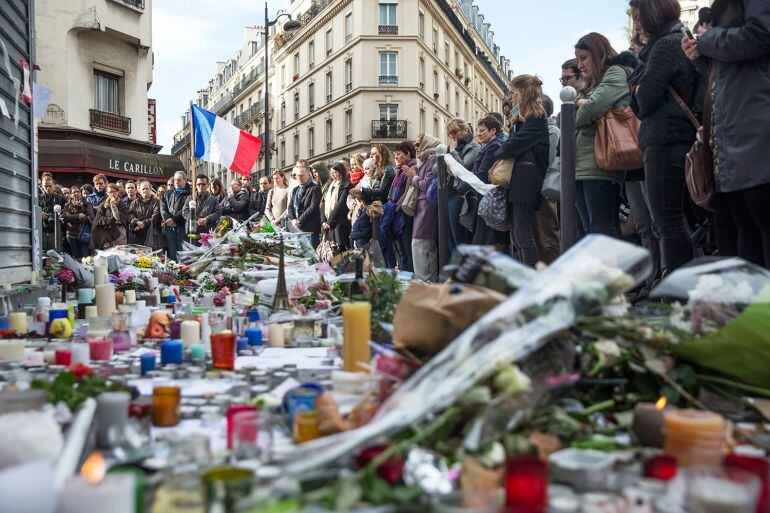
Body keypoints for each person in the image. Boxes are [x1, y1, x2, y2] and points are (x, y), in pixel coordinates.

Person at [683, 0, 770, 269]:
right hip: (735, 130)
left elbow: (760, 34)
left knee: (759, 222)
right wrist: (701, 54)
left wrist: (708, 41)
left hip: (754, 124)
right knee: (745, 226)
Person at [628, 0, 696, 275]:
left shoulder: (665, 45)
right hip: (676, 137)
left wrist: (639, 87)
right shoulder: (674, 41)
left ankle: (679, 294)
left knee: (666, 221)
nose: (636, 24)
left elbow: (643, 99)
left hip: (665, 139)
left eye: (637, 17)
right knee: (671, 220)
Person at [573, 32, 636, 238]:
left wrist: (582, 105)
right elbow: (565, 120)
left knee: (603, 229)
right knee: (591, 231)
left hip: (600, 163)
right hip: (583, 163)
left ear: (598, 53)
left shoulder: (616, 72)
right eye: (578, 59)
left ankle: (613, 271)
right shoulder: (592, 83)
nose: (580, 65)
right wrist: (582, 98)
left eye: (583, 58)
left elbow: (589, 110)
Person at [494, 75, 551, 267]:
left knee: (523, 234)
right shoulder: (524, 119)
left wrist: (503, 148)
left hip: (526, 181)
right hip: (520, 181)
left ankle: (529, 279)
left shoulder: (536, 118)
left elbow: (510, 146)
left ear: (522, 93)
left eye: (512, 92)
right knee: (517, 234)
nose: (510, 97)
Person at [457, 116, 509, 247]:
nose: (479, 133)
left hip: (489, 198)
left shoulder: (493, 146)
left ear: (493, 131)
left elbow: (482, 174)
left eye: (482, 130)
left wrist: (461, 187)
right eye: (478, 130)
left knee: (486, 241)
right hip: (485, 197)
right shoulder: (488, 146)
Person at [403, 134, 440, 282]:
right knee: (424, 246)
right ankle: (427, 281)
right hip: (422, 206)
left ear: (426, 143)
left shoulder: (433, 159)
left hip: (427, 206)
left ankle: (425, 282)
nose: (415, 147)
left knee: (420, 244)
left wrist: (414, 177)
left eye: (418, 144)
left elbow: (428, 185)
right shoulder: (424, 160)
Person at [534, 95, 561, 265]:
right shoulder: (541, 130)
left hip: (545, 189)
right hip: (538, 189)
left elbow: (548, 162)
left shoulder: (552, 131)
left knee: (547, 235)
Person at [447, 118, 481, 248]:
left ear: (465, 129)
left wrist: (453, 153)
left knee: (462, 239)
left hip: (464, 197)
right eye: (449, 133)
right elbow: (436, 169)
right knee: (452, 240)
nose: (452, 136)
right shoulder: (453, 148)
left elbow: (463, 169)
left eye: (454, 131)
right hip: (451, 194)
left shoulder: (474, 147)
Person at [385, 141, 417, 271]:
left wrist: (395, 207)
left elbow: (408, 192)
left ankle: (408, 276)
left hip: (404, 213)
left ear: (408, 153)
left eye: (398, 154)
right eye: (394, 155)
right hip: (397, 212)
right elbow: (392, 193)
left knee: (406, 247)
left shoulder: (411, 168)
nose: (396, 157)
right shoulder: (400, 170)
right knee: (400, 249)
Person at [287, 160, 323, 247]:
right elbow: (290, 207)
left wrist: (300, 220)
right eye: (297, 175)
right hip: (296, 230)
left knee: (311, 258)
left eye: (301, 175)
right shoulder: (296, 189)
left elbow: (313, 208)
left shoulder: (315, 188)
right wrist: (293, 220)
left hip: (309, 230)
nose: (299, 177)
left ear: (308, 174)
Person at [160, 171, 191, 261]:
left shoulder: (190, 194)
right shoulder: (168, 193)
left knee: (182, 254)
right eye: (175, 180)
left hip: (182, 227)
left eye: (179, 180)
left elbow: (185, 210)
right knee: (172, 254)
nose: (176, 182)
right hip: (169, 228)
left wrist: (174, 219)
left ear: (185, 180)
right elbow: (163, 208)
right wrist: (167, 219)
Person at [321, 162, 352, 250]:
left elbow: (340, 205)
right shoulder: (330, 186)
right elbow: (325, 203)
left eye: (335, 172)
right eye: (331, 173)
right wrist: (323, 220)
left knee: (341, 249)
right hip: (329, 224)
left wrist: (329, 222)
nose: (332, 175)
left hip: (340, 223)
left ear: (341, 173)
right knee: (331, 251)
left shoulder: (346, 185)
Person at [183, 175, 220, 241]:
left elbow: (218, 213)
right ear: (196, 185)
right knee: (192, 251)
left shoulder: (214, 199)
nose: (201, 186)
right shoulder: (190, 198)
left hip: (207, 233)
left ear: (208, 185)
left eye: (203, 184)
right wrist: (197, 219)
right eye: (198, 184)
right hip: (192, 232)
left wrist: (206, 219)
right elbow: (185, 212)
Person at [92, 184, 128, 250]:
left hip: (119, 235)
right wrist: (112, 220)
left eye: (114, 191)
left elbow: (119, 218)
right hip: (106, 235)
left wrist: (113, 205)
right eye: (110, 192)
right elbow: (98, 220)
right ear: (107, 193)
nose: (112, 194)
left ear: (117, 192)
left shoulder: (122, 204)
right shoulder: (103, 205)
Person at [127, 180, 161, 247]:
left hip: (151, 235)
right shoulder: (134, 202)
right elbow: (129, 215)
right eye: (143, 189)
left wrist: (143, 223)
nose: (145, 190)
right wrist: (136, 221)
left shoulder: (156, 202)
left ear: (150, 189)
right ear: (139, 190)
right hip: (136, 236)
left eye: (147, 189)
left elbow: (156, 217)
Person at [62, 187, 91, 259]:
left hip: (84, 234)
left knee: (86, 257)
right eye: (74, 192)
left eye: (78, 191)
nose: (76, 193)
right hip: (71, 234)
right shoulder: (67, 205)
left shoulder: (86, 204)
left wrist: (71, 218)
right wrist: (78, 216)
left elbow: (89, 217)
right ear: (71, 194)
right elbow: (65, 218)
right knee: (76, 257)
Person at [39, 176, 66, 252]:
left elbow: (66, 213)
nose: (48, 188)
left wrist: (57, 215)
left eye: (50, 186)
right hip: (42, 231)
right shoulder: (38, 198)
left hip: (56, 231)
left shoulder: (61, 198)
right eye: (45, 186)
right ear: (42, 186)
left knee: (55, 256)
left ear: (54, 185)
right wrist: (39, 213)